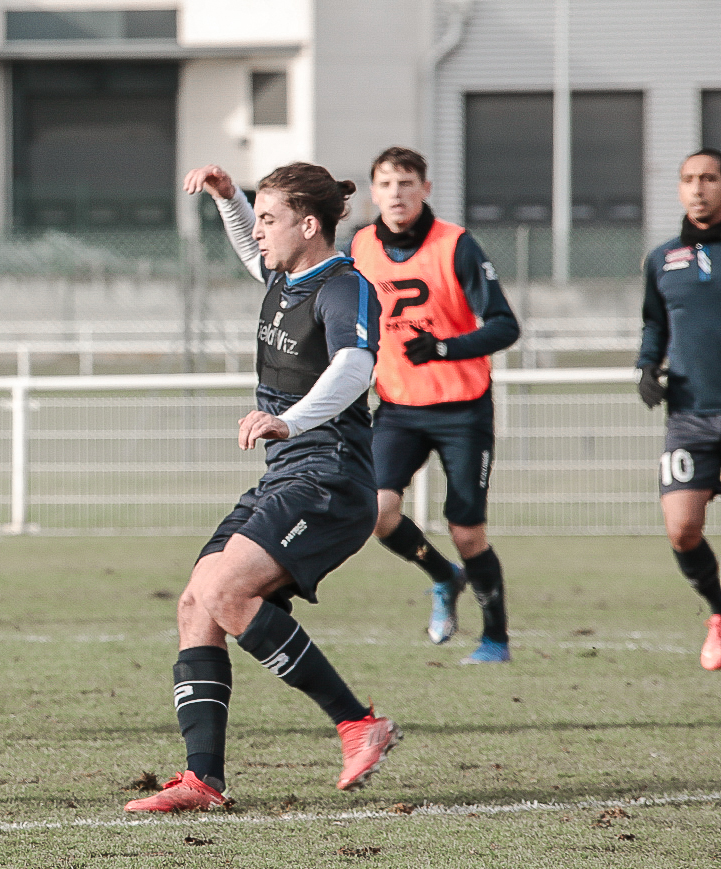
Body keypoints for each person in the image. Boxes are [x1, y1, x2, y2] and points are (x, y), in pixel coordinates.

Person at [126, 162, 400, 813]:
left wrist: (291, 417)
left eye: (271, 216)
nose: (261, 228)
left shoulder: (344, 287)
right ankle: (203, 781)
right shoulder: (285, 272)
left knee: (225, 590)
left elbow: (356, 366)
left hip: (331, 479)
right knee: (197, 603)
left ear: (310, 225)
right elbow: (253, 246)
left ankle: (358, 723)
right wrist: (230, 199)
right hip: (287, 475)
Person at [350, 147, 520, 663]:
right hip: (398, 406)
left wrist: (445, 347)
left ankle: (495, 639)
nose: (396, 194)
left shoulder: (457, 245)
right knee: (376, 511)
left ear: (425, 189)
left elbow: (505, 325)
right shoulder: (358, 246)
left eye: (406, 183)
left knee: (467, 530)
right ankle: (443, 576)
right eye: (385, 184)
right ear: (373, 192)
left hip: (463, 407)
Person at [637, 147, 721, 670]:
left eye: (709, 178)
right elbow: (654, 324)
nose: (699, 188)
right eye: (689, 178)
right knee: (681, 528)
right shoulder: (662, 258)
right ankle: (718, 613)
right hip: (689, 417)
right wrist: (646, 367)